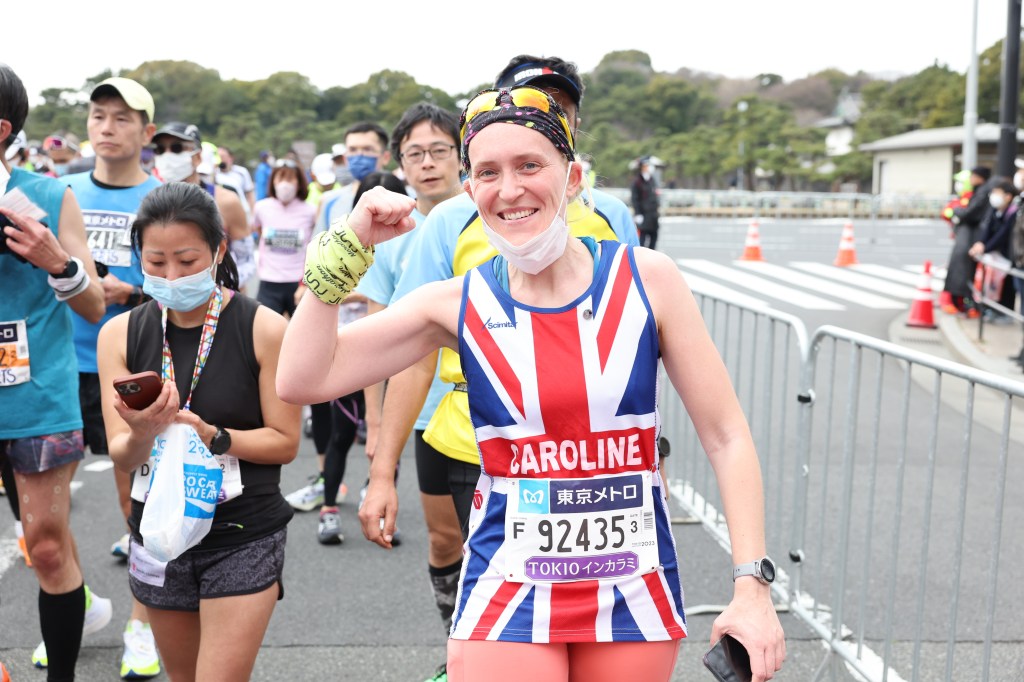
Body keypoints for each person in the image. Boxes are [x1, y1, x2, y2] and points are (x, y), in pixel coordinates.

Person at [278, 85, 785, 682]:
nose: (510, 189)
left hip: (631, 589)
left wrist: (752, 588)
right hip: (508, 588)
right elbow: (302, 378)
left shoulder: (647, 280)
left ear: (572, 178)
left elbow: (726, 436)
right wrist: (346, 246)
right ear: (471, 192)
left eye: (529, 165)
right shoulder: (456, 302)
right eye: (488, 172)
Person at [364, 55, 637, 564]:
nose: (543, 115)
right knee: (473, 563)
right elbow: (412, 353)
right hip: (473, 438)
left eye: (559, 107)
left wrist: (652, 450)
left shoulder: (611, 216)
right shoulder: (451, 220)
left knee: (576, 578)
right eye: (528, 104)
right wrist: (383, 469)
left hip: (591, 446)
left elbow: (639, 343)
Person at [96, 181, 301, 682]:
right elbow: (122, 455)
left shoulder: (264, 327)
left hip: (242, 531)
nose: (171, 275)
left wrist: (214, 436)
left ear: (218, 250)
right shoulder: (119, 333)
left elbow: (285, 442)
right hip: (158, 533)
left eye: (187, 261)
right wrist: (142, 431)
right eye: (155, 262)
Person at [0, 62, 108, 682]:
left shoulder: (48, 196)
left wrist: (57, 261)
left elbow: (92, 304)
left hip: (37, 396)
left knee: (44, 546)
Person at [350, 103, 465, 681]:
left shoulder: (497, 222)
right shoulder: (390, 236)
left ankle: (483, 656)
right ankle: (458, 647)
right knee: (444, 539)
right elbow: (377, 341)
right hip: (422, 413)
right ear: (400, 163)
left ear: (461, 155)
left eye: (439, 150)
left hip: (488, 413)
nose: (427, 163)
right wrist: (376, 428)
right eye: (415, 153)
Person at [62, 75, 164, 679]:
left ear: (146, 132)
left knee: (138, 503)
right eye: (99, 115)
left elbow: (194, 278)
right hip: (58, 363)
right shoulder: (61, 191)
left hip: (133, 362)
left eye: (123, 118)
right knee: (43, 516)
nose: (107, 127)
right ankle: (70, 608)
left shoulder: (164, 197)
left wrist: (135, 289)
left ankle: (141, 624)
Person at [304, 170, 408, 546]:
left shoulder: (411, 241)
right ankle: (329, 509)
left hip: (397, 355)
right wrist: (367, 296)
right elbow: (312, 289)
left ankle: (379, 504)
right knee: (342, 434)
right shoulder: (345, 240)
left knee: (389, 440)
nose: (386, 213)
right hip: (350, 352)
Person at [151, 122, 254, 291]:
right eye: (160, 149)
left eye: (177, 148)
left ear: (197, 157)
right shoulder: (151, 202)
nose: (167, 155)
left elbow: (246, 261)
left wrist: (224, 295)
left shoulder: (226, 202)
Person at [252, 160, 317, 317]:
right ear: (273, 181)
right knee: (266, 328)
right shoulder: (261, 207)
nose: (285, 184)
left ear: (299, 182)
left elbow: (314, 246)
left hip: (299, 283)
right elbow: (258, 230)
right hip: (269, 282)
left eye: (290, 179)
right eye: (280, 178)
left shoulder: (310, 211)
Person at [313, 123, 392, 235]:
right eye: (353, 149)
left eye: (367, 149)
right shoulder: (330, 202)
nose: (359, 156)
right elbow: (318, 244)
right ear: (345, 158)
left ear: (385, 157)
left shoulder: (406, 200)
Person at [944, 166, 995, 317]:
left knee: (965, 271)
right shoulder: (979, 191)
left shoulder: (982, 193)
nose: (971, 179)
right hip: (970, 237)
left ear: (980, 177)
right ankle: (967, 305)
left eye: (973, 176)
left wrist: (957, 210)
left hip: (971, 239)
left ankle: (968, 305)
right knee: (965, 271)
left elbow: (969, 213)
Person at [969, 177, 1019, 324]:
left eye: (997, 192)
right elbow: (988, 229)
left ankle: (1005, 314)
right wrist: (980, 243)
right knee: (992, 284)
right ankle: (991, 310)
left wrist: (985, 247)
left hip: (1008, 254)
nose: (993, 196)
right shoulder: (994, 210)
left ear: (1008, 196)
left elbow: (1003, 235)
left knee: (1007, 285)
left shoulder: (1013, 212)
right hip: (995, 253)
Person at [631, 156, 660, 249]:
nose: (649, 167)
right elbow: (635, 199)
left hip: (653, 214)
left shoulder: (651, 179)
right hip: (644, 214)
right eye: (647, 165)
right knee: (642, 239)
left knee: (654, 237)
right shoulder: (637, 181)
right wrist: (638, 214)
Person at [217, 146, 255, 213]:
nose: (220, 159)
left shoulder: (241, 172)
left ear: (231, 158)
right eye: (217, 156)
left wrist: (252, 212)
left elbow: (250, 194)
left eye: (222, 156)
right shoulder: (214, 174)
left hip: (242, 210)